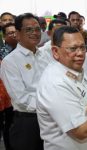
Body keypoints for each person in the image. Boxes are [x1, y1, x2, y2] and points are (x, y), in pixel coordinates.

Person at [1, 13, 49, 150]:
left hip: (51, 118)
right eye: (28, 29)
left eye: (37, 29)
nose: (35, 33)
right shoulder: (10, 62)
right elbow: (21, 98)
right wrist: (51, 104)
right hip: (28, 122)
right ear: (17, 33)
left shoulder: (45, 56)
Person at [0, 22, 17, 150]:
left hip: (19, 94)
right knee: (8, 125)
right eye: (10, 33)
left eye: (15, 31)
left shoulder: (26, 49)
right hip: (6, 93)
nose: (14, 35)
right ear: (4, 36)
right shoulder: (2, 52)